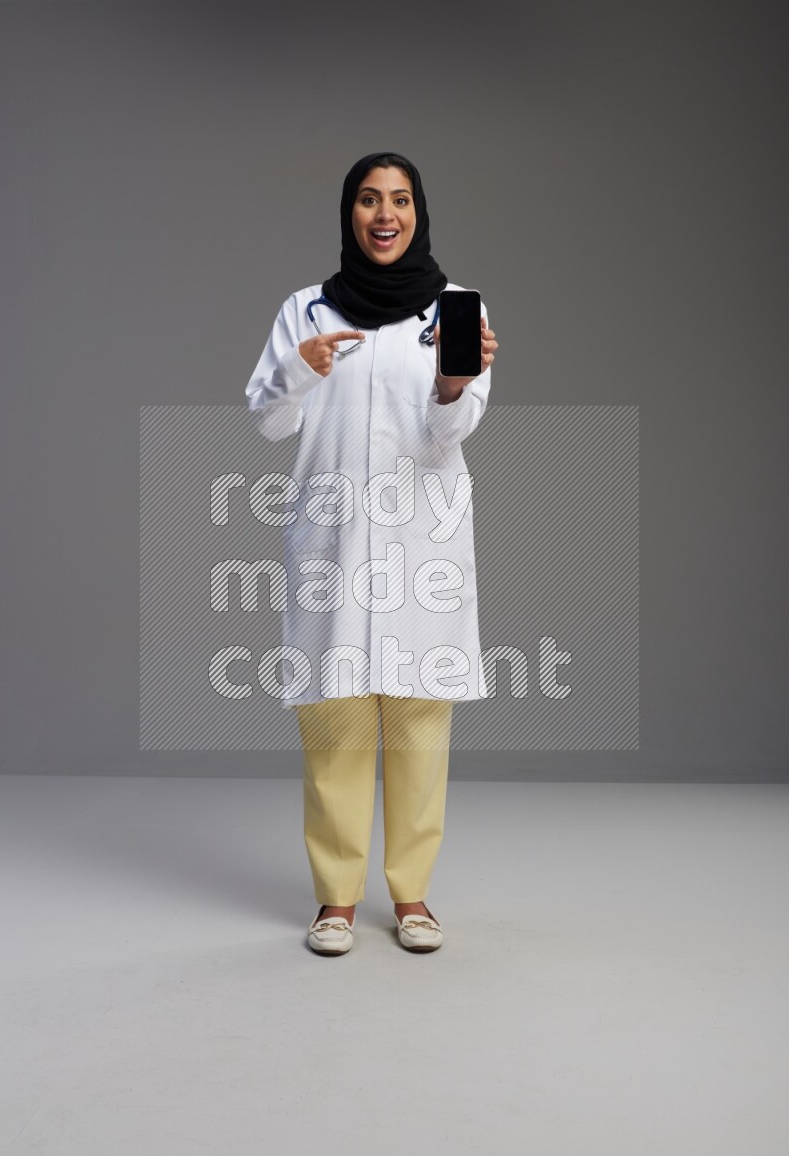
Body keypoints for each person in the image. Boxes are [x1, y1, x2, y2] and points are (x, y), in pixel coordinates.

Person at [245, 152, 498, 955]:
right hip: (333, 541)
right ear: (349, 213)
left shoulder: (457, 306)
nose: (383, 214)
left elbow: (451, 432)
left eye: (398, 200)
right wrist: (299, 369)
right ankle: (336, 902)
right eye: (367, 199)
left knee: (421, 720)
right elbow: (267, 420)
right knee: (336, 721)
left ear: (418, 212)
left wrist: (454, 387)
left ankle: (414, 897)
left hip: (421, 540)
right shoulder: (307, 309)